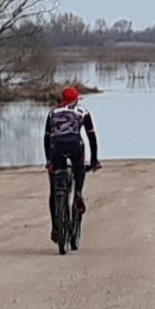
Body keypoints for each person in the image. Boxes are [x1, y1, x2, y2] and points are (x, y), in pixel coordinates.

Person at [41, 84, 99, 252]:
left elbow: (46, 138)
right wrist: (94, 160)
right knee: (78, 167)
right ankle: (78, 193)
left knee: (55, 189)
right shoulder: (82, 111)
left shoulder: (52, 113)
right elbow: (91, 137)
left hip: (56, 148)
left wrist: (49, 160)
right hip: (75, 145)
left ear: (62, 99)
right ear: (76, 99)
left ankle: (56, 228)